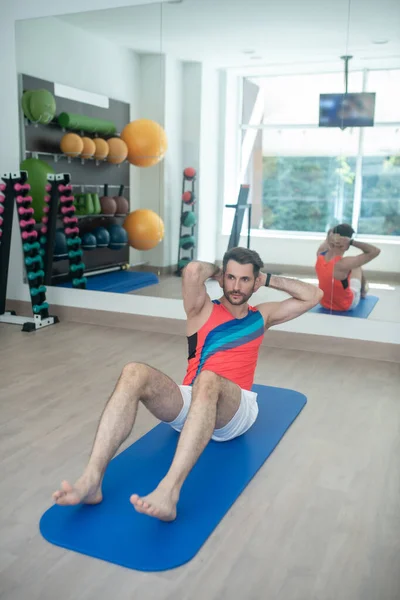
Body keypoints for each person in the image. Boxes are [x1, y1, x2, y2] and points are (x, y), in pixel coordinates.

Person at [53, 247, 322, 521]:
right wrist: (218, 271)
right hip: (192, 402)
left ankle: (168, 492)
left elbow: (314, 295)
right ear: (222, 278)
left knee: (209, 379)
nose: (236, 286)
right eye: (230, 278)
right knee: (134, 371)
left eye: (244, 279)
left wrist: (268, 279)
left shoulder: (262, 316)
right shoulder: (201, 309)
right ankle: (91, 480)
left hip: (236, 410)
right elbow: (193, 270)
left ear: (255, 282)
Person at [315, 223, 381, 312]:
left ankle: (362, 290)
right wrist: (351, 242)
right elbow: (375, 251)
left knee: (351, 267)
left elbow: (327, 240)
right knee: (357, 266)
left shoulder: (320, 254)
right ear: (346, 246)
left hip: (323, 303)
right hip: (345, 306)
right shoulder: (344, 263)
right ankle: (363, 291)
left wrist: (331, 236)